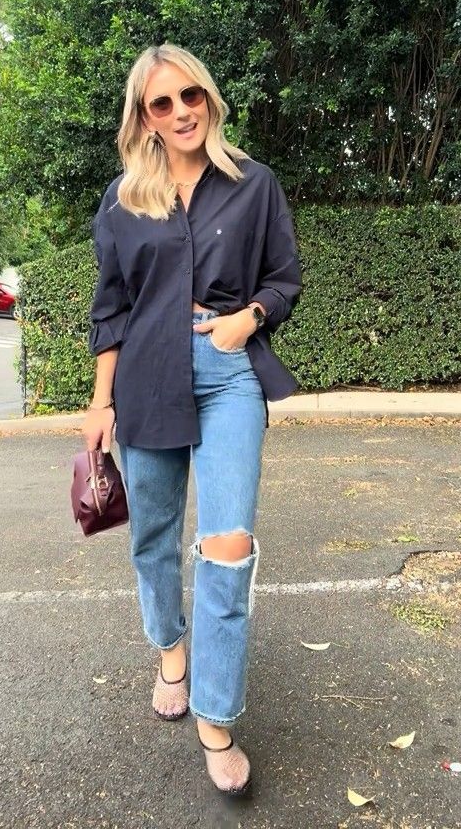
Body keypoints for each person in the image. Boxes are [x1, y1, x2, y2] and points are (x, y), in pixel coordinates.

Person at [83, 43, 302, 797]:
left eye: (191, 95)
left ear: (208, 97)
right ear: (143, 118)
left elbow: (284, 278)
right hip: (145, 375)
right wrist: (100, 403)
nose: (181, 112)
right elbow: (111, 307)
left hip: (227, 372)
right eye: (162, 102)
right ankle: (171, 650)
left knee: (228, 545)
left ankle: (216, 716)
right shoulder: (123, 199)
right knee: (152, 534)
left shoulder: (253, 184)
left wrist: (250, 317)